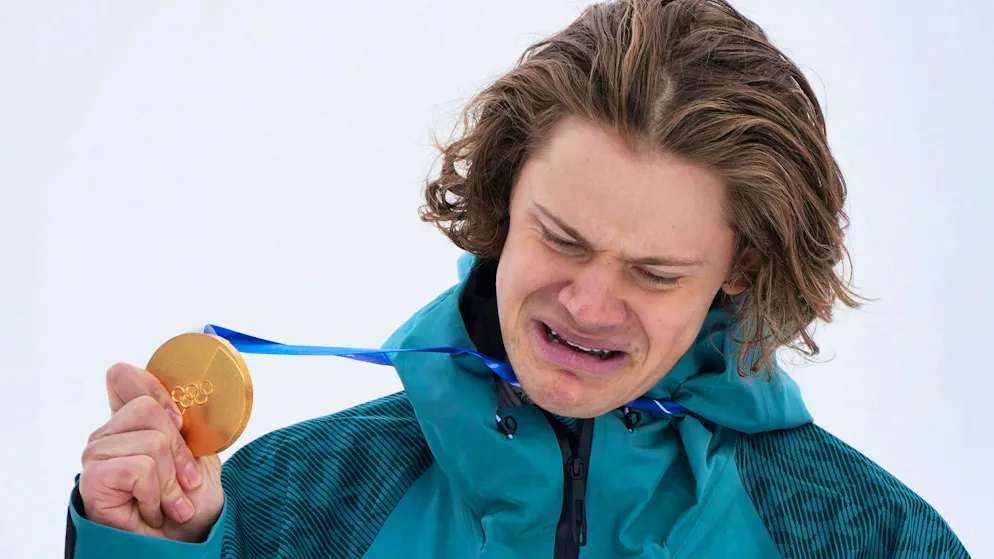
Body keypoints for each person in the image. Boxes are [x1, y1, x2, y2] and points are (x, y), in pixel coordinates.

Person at [64, 1, 970, 557]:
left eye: (654, 272)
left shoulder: (865, 536)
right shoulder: (297, 504)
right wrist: (149, 551)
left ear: (744, 269)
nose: (586, 303)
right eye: (563, 238)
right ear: (503, 199)